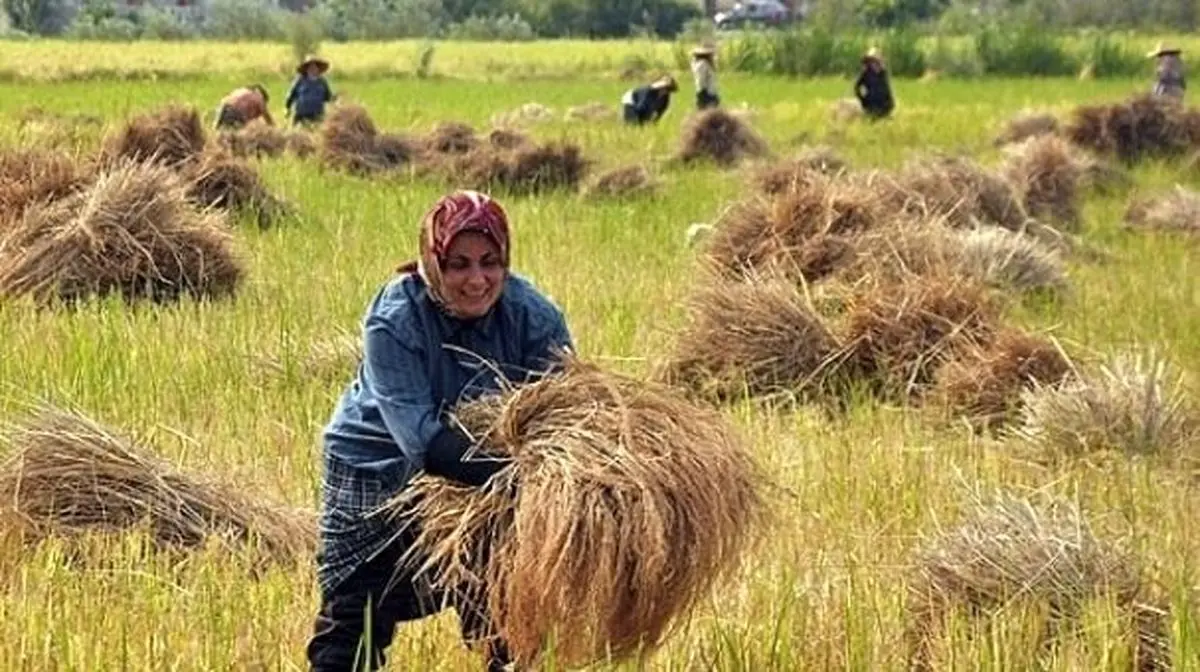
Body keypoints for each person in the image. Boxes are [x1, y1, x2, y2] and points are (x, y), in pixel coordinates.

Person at [306, 190, 574, 672]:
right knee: (357, 618)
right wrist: (521, 477)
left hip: (488, 467)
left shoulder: (533, 317)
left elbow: (565, 412)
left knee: (509, 604)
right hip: (379, 467)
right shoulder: (396, 319)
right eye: (458, 264)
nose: (477, 280)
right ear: (432, 262)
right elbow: (422, 441)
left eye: (490, 262)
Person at [287, 54, 336, 127]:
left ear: (318, 69)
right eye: (310, 67)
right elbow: (291, 95)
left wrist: (336, 100)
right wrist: (287, 108)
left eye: (315, 67)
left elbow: (328, 97)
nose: (313, 69)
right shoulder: (300, 80)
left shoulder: (322, 82)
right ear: (306, 69)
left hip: (317, 116)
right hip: (301, 116)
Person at [854, 47, 895, 120]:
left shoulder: (883, 73)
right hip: (871, 104)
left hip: (883, 106)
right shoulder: (865, 73)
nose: (873, 63)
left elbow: (887, 90)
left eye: (875, 61)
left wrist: (890, 103)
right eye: (871, 61)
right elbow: (857, 87)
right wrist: (863, 100)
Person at [691, 45, 720, 111]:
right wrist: (704, 93)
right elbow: (701, 80)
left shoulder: (701, 64)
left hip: (708, 93)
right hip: (707, 94)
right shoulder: (703, 64)